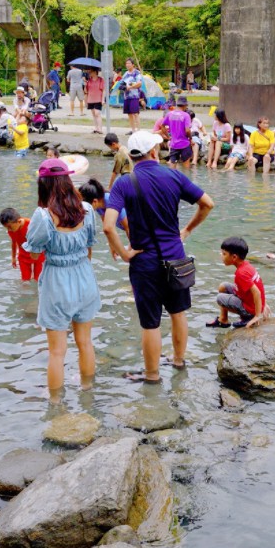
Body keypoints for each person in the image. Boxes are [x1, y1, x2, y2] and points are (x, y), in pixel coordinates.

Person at [104, 130, 214, 382]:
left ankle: (152, 376)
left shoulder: (124, 182)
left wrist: (124, 254)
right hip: (175, 256)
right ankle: (178, 361)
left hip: (144, 262)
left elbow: (109, 226)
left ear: (132, 156)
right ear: (153, 151)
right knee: (178, 312)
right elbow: (207, 203)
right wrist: (186, 230)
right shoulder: (174, 175)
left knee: (150, 322)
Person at [23, 159, 101, 393]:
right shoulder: (86, 210)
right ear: (67, 181)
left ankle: (56, 405)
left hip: (57, 282)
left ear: (43, 185)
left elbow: (35, 256)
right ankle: (87, 391)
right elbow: (89, 249)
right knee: (85, 342)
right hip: (84, 278)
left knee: (57, 352)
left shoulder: (44, 216)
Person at [207, 236, 268, 329]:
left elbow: (257, 292)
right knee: (223, 287)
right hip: (249, 301)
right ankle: (223, 320)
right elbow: (258, 286)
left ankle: (248, 317)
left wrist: (257, 316)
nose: (221, 256)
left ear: (234, 257)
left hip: (251, 309)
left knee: (220, 298)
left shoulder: (241, 273)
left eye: (224, 254)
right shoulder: (246, 265)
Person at [0, 207, 45, 281]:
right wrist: (13, 257)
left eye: (10, 227)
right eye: (6, 228)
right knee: (25, 280)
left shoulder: (31, 225)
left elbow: (43, 239)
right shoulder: (11, 231)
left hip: (38, 255)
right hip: (23, 257)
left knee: (38, 279)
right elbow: (14, 242)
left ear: (19, 221)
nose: (9, 230)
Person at [165, 97, 192, 169]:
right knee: (186, 169)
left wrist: (168, 136)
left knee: (172, 168)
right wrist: (190, 137)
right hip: (184, 143)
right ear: (185, 105)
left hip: (174, 144)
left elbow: (162, 126)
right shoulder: (186, 115)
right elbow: (187, 130)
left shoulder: (169, 114)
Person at [121, 59, 142, 132]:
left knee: (135, 113)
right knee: (129, 114)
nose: (127, 65)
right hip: (126, 96)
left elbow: (139, 83)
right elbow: (122, 83)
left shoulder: (137, 73)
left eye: (129, 63)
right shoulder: (126, 73)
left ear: (133, 64)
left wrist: (130, 87)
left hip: (134, 96)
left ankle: (139, 130)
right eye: (126, 63)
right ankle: (133, 130)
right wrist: (122, 87)